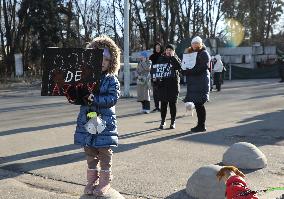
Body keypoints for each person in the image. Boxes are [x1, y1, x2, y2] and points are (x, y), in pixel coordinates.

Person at [73, 35, 121, 196]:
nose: (102, 62)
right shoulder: (85, 78)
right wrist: (75, 94)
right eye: (99, 58)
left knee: (104, 151)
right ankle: (91, 180)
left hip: (105, 121)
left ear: (111, 62)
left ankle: (105, 181)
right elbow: (78, 96)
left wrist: (96, 99)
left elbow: (113, 98)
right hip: (87, 119)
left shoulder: (111, 79)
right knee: (90, 150)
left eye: (106, 60)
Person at [182, 36, 210, 132]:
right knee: (198, 104)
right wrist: (185, 70)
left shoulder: (203, 53)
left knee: (199, 104)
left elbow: (202, 68)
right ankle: (200, 125)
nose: (195, 45)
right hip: (194, 83)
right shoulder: (191, 53)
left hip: (201, 82)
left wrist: (190, 71)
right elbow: (186, 65)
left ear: (200, 44)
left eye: (197, 43)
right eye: (193, 43)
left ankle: (201, 126)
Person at [154, 44, 181, 129]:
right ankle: (163, 121)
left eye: (170, 50)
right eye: (167, 50)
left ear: (173, 51)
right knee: (163, 104)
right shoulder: (161, 59)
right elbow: (157, 70)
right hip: (163, 85)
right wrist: (156, 80)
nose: (168, 51)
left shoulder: (176, 58)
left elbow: (179, 67)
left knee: (172, 104)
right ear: (165, 51)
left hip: (173, 85)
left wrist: (172, 57)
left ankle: (173, 122)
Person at [149, 42, 163, 112]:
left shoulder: (163, 56)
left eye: (159, 48)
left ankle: (162, 106)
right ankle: (156, 106)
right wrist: (152, 75)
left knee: (162, 92)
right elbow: (151, 67)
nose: (157, 49)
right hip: (154, 77)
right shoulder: (152, 57)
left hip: (162, 77)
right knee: (155, 93)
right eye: (156, 48)